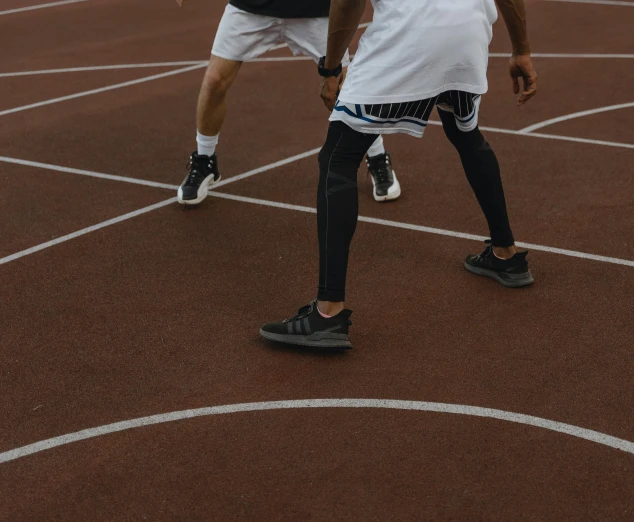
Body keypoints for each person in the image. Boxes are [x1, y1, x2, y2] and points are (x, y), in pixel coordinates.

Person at [260, 0, 538, 350]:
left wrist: (331, 67)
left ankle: (327, 314)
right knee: (466, 134)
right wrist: (522, 50)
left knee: (338, 158)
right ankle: (505, 255)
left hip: (411, 37)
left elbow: (347, 2)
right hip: (468, 32)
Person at [175, 0, 401, 205]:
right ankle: (205, 160)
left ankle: (377, 157)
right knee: (214, 81)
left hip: (314, 10)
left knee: (344, 89)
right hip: (251, 8)